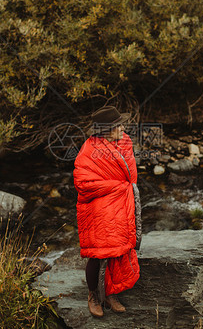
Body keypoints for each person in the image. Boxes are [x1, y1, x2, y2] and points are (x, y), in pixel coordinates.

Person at [73, 105, 142, 318]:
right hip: (100, 207)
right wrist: (116, 188)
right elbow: (82, 183)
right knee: (98, 252)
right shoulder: (90, 150)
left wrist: (123, 190)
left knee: (119, 249)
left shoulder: (124, 142)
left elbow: (129, 176)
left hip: (121, 203)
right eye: (117, 125)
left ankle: (110, 292)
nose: (122, 127)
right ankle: (94, 294)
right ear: (105, 130)